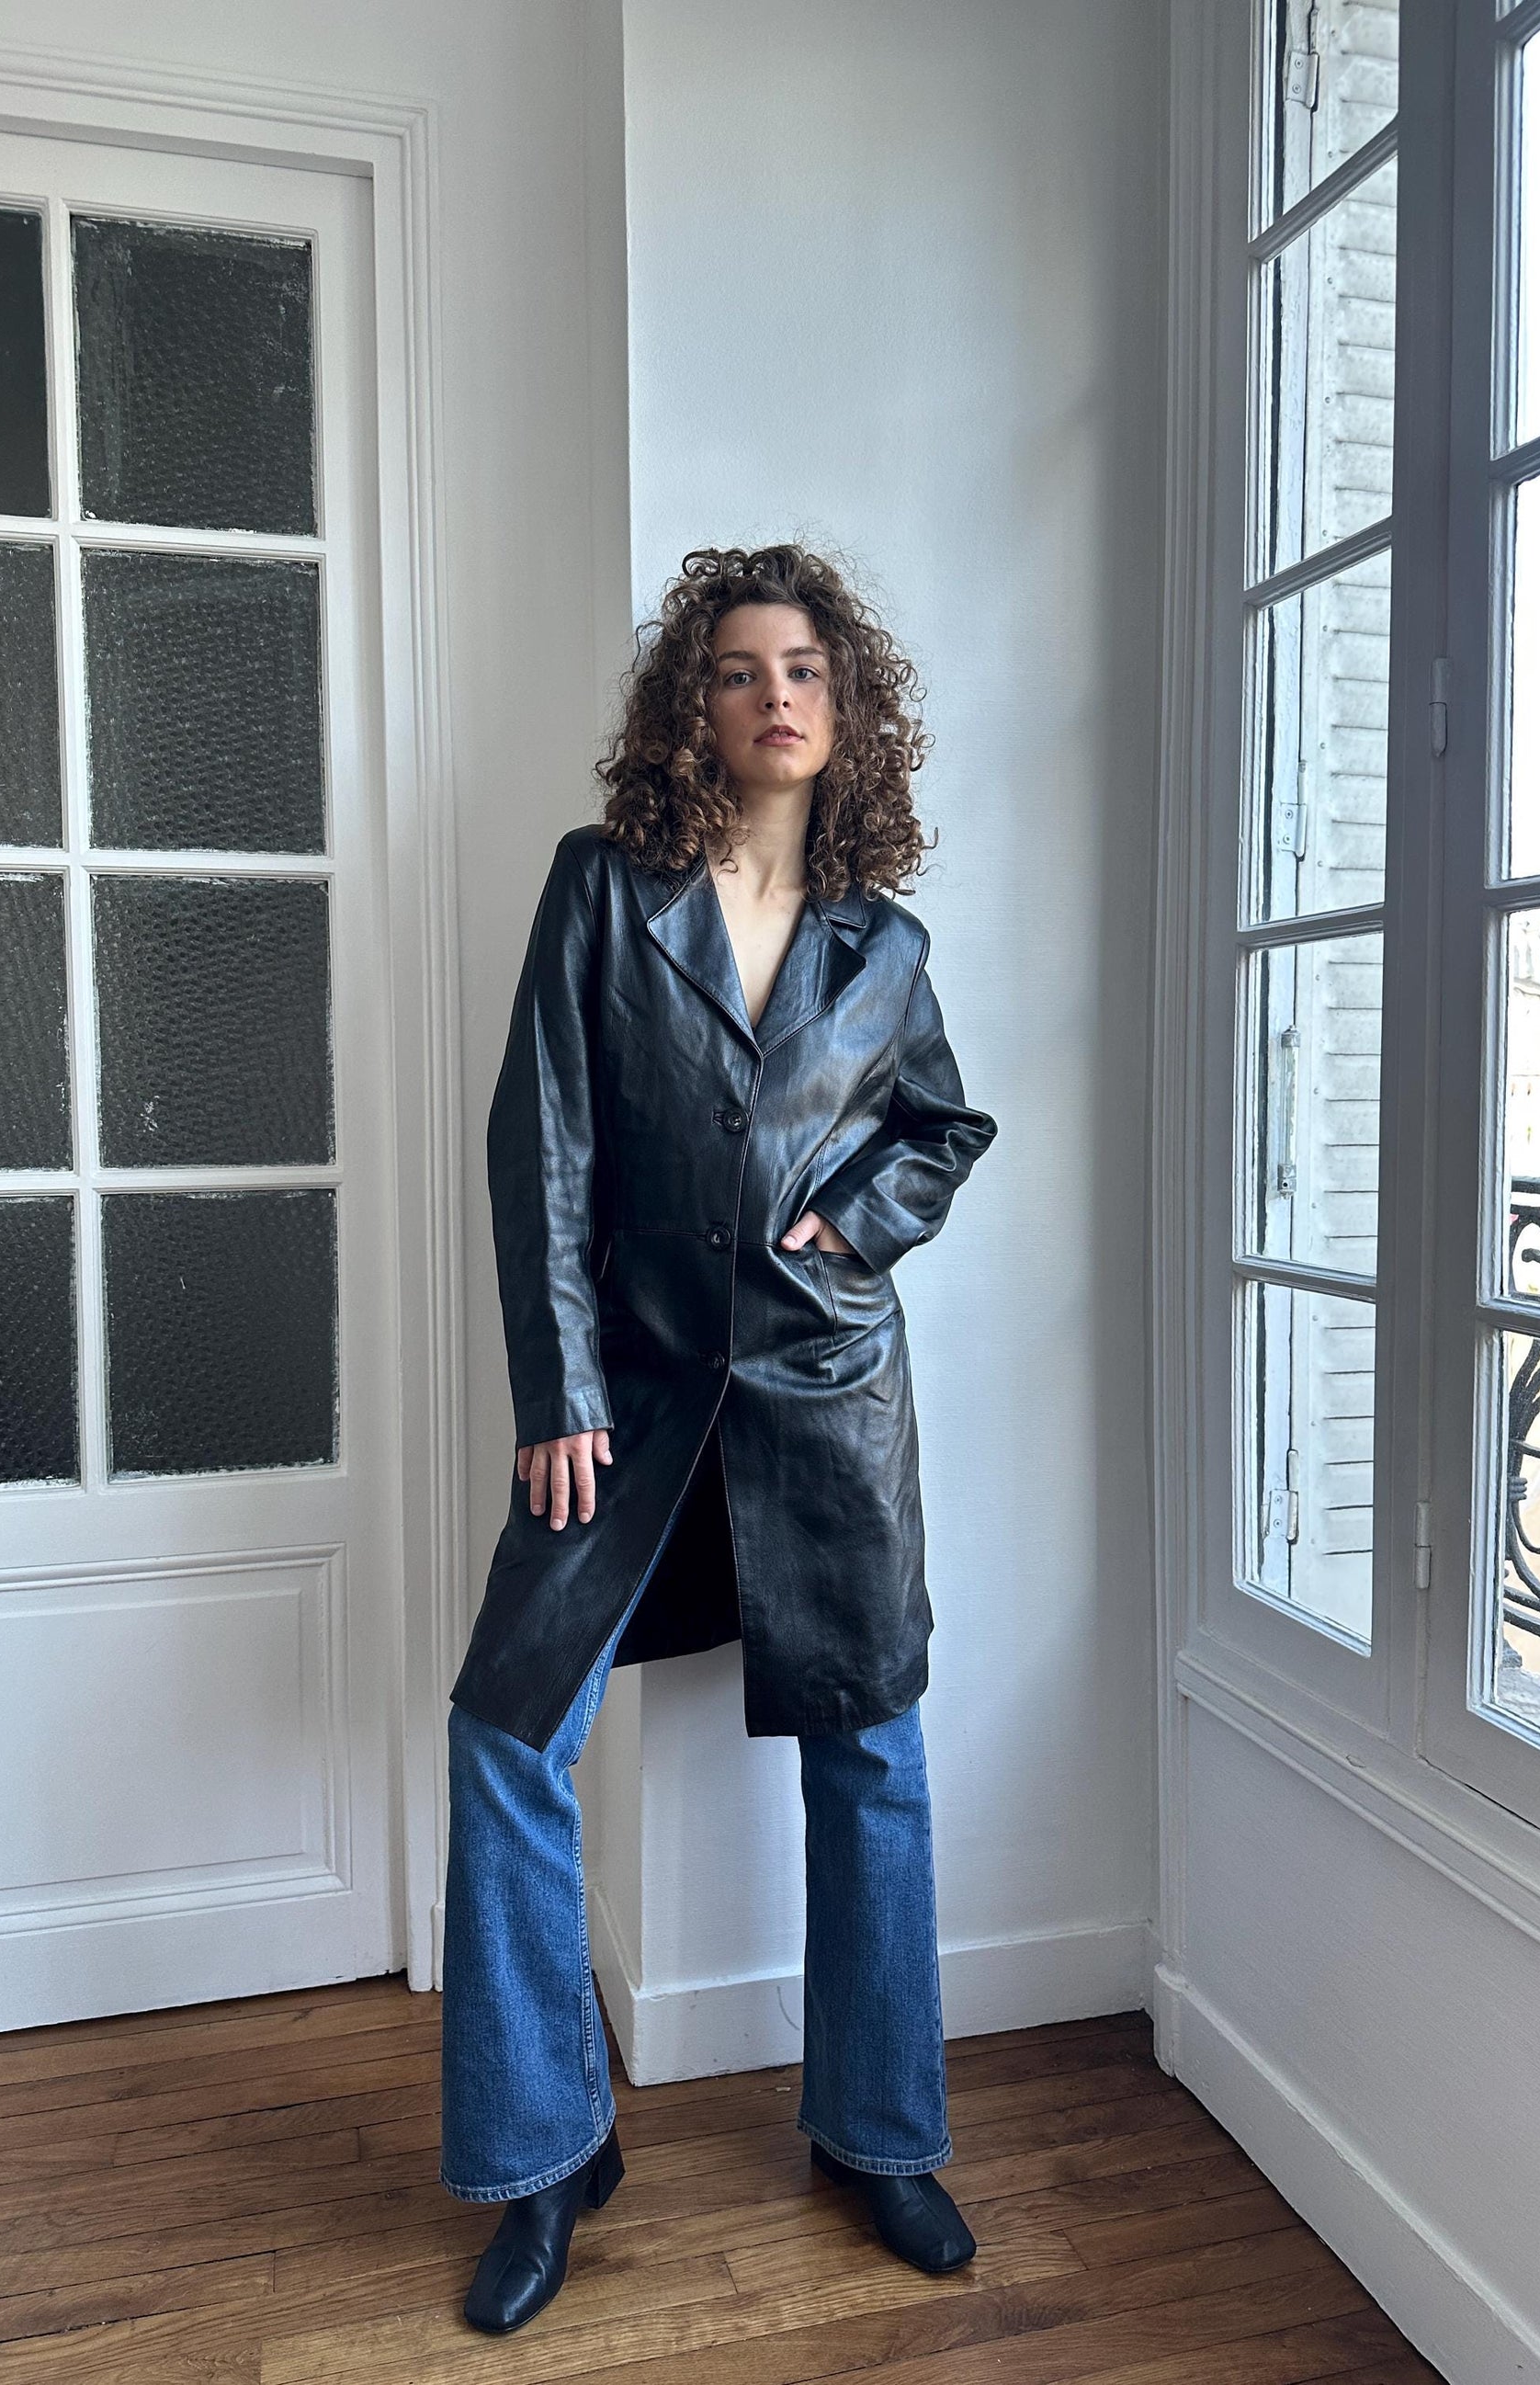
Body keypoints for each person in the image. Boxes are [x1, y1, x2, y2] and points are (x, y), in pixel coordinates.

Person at [441, 542, 998, 2334]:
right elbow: (539, 1143)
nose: (778, 693)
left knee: (874, 1747)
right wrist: (559, 1391)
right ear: (696, 703)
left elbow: (936, 1126)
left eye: (808, 671)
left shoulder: (881, 945)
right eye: (743, 667)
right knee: (507, 1729)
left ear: (849, 714)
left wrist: (851, 1225)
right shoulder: (605, 890)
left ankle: (879, 2130)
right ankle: (545, 2152)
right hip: (637, 1395)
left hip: (830, 1404)